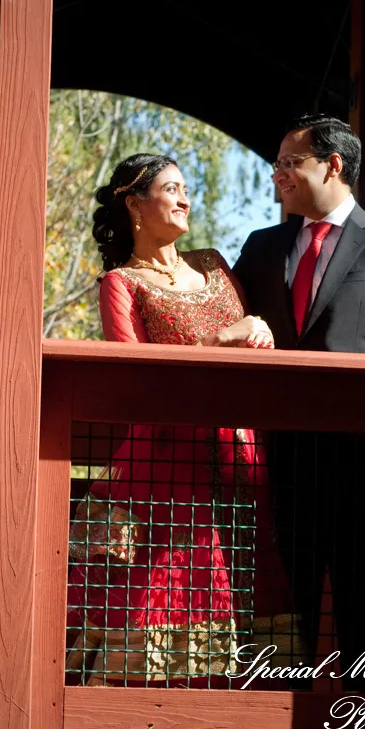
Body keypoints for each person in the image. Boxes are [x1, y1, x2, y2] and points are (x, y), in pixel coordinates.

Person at [66, 153, 304, 688]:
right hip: (167, 457)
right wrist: (219, 339)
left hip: (240, 450)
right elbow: (132, 379)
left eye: (186, 189)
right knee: (175, 575)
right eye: (171, 188)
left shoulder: (215, 265)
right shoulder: (121, 283)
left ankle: (252, 704)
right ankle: (156, 705)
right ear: (134, 204)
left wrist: (260, 333)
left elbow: (255, 338)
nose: (184, 198)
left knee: (248, 568)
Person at [232, 114, 365, 688]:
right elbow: (226, 324)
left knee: (361, 614)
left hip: (362, 471)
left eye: (290, 162)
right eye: (277, 164)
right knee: (274, 618)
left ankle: (362, 727)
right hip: (275, 465)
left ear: (334, 165)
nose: (278, 175)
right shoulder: (261, 246)